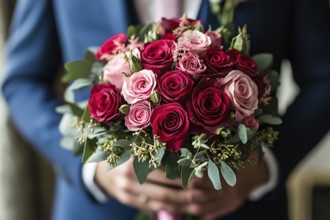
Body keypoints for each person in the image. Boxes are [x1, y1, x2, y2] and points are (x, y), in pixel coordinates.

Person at [2, 0, 330, 220]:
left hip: (243, 208)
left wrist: (263, 167)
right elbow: (22, 79)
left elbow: (324, 78)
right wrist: (92, 167)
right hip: (97, 210)